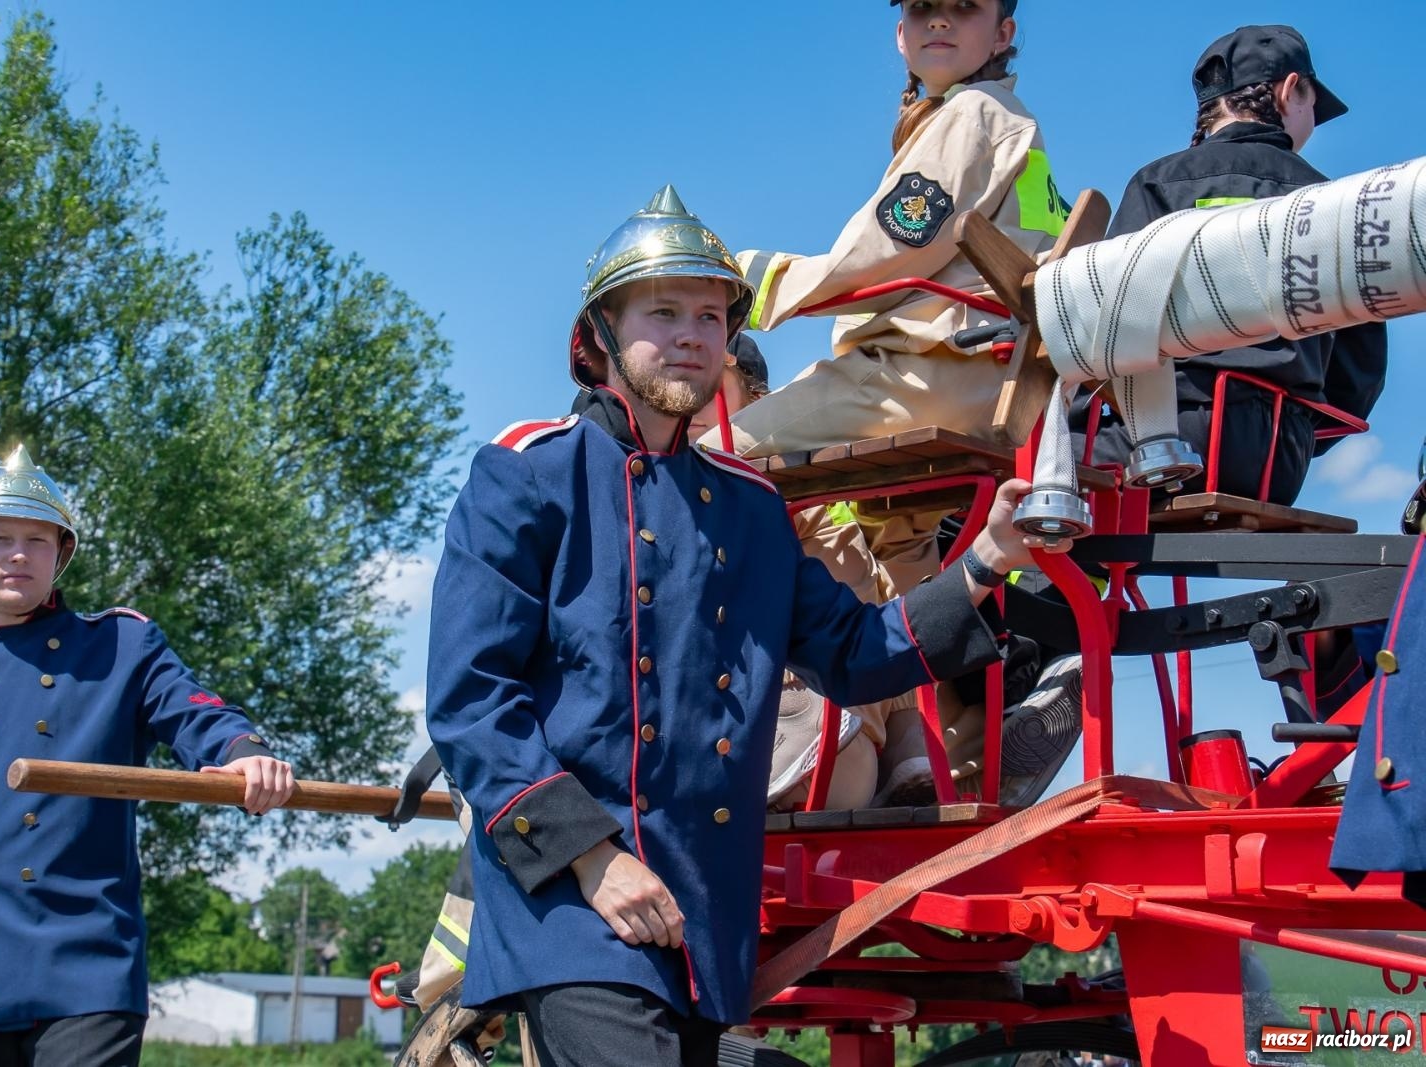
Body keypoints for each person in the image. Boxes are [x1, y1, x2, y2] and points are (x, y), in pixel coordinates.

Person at [425, 185, 1055, 1066]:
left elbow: (855, 653)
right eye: (664, 312)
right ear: (598, 335)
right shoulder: (526, 474)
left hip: (701, 916)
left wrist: (984, 559)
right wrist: (595, 859)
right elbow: (471, 706)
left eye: (712, 316)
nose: (692, 333)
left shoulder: (756, 509)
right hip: (569, 902)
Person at [696, 0, 1079, 807]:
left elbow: (887, 246)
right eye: (922, 11)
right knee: (890, 560)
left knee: (702, 464)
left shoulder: (971, 115)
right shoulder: (1003, 122)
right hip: (994, 381)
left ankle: (763, 721)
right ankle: (935, 748)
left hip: (920, 374)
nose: (939, 24)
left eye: (963, 10)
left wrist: (740, 286)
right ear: (901, 33)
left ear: (1003, 33)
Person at [0, 446, 296, 1065]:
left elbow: (196, 711)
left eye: (38, 540)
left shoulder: (122, 646)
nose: (19, 553)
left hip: (86, 965)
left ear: (61, 554)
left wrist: (242, 752)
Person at [1072, 24, 1387, 506]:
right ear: (1289, 90)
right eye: (1313, 106)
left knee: (1020, 478)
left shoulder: (1157, 184)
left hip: (1160, 445)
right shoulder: (1333, 202)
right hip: (1277, 459)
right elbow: (1358, 368)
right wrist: (1299, 423)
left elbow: (1104, 320)